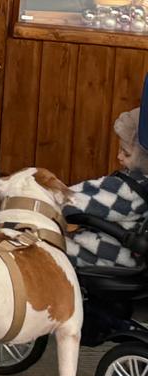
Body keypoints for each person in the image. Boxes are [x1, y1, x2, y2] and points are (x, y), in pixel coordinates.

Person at [66, 103, 147, 270]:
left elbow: (67, 200)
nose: (118, 157)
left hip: (104, 259)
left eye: (126, 153)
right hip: (122, 258)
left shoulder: (127, 191)